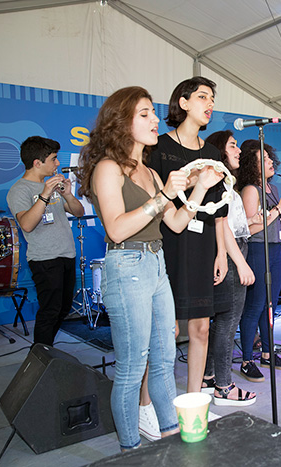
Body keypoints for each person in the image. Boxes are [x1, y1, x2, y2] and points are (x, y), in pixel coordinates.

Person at [77, 86, 222, 450]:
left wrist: (199, 189)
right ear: (121, 122)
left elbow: (175, 223)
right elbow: (115, 228)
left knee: (163, 360)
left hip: (157, 264)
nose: (155, 119)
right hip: (126, 265)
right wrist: (162, 197)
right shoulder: (108, 168)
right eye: (144, 114)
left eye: (153, 113)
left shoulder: (149, 171)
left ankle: (173, 437)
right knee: (131, 368)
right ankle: (130, 450)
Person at [148, 76, 229, 397]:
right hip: (167, 242)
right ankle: (155, 399)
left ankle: (195, 399)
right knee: (166, 329)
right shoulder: (159, 148)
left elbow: (219, 209)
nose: (209, 104)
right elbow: (152, 201)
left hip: (204, 242)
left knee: (201, 326)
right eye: (202, 97)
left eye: (212, 99)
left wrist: (221, 252)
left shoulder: (212, 152)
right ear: (182, 103)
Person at [7, 136, 84, 346]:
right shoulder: (19, 190)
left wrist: (67, 195)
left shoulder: (54, 185)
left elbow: (79, 212)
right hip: (44, 259)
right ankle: (40, 357)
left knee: (64, 308)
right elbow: (27, 224)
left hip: (67, 255)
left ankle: (46, 350)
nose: (57, 163)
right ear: (37, 163)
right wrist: (45, 194)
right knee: (49, 310)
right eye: (53, 159)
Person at [237, 140, 281, 382]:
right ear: (252, 166)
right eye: (263, 159)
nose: (270, 162)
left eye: (269, 157)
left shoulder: (273, 190)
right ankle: (246, 360)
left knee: (271, 306)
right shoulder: (250, 190)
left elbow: (280, 226)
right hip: (256, 251)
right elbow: (247, 230)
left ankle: (267, 352)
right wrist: (279, 210)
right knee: (254, 306)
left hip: (275, 251)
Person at [200, 129, 257, 405]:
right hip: (233, 256)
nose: (239, 151)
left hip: (235, 252)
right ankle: (224, 386)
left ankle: (210, 376)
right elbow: (224, 229)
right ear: (219, 150)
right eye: (233, 146)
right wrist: (241, 262)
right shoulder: (219, 183)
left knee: (223, 321)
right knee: (228, 321)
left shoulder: (227, 182)